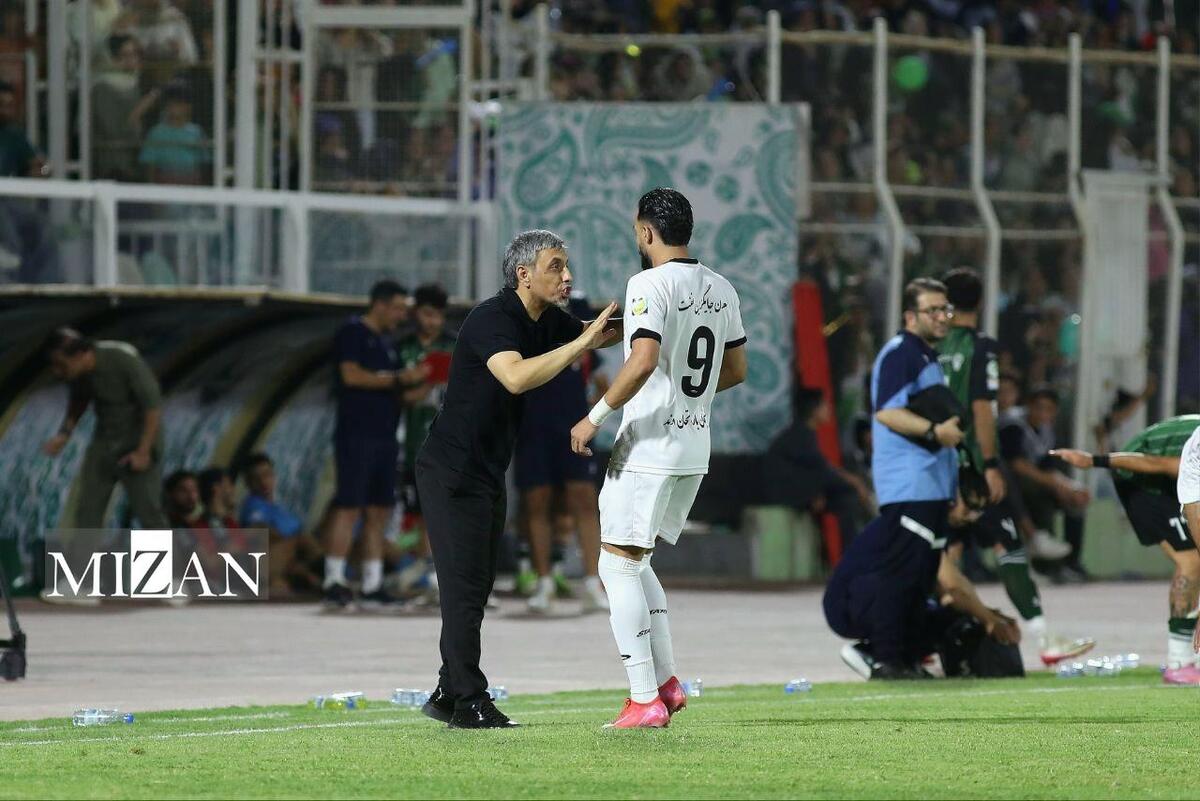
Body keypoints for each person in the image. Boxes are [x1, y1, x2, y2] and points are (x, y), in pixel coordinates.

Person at [415, 229, 618, 729]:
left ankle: (447, 690)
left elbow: (595, 332)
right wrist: (583, 342)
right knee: (464, 590)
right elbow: (516, 376)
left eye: (566, 265)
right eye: (556, 267)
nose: (567, 276)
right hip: (451, 471)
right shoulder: (491, 319)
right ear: (524, 275)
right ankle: (470, 701)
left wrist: (652, 318)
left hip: (487, 471)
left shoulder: (545, 318)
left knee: (477, 586)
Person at [569, 187, 748, 729]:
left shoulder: (647, 283)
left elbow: (644, 359)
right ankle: (667, 683)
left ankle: (644, 697)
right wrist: (687, 400)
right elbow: (736, 370)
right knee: (637, 561)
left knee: (615, 563)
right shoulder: (722, 287)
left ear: (646, 231)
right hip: (693, 447)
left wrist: (595, 415)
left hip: (646, 444)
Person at [937, 267, 1094, 665]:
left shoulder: (929, 346)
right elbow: (982, 410)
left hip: (934, 463)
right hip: (971, 465)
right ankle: (1044, 638)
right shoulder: (980, 348)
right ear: (980, 302)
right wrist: (991, 464)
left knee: (946, 552)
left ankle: (926, 640)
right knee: (1007, 544)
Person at [832, 278, 964, 679]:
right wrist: (934, 432)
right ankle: (885, 657)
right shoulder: (900, 352)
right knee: (902, 575)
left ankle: (906, 656)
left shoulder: (925, 357)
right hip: (910, 483)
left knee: (921, 577)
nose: (941, 317)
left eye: (945, 310)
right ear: (910, 316)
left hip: (932, 485)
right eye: (932, 310)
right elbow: (887, 412)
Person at [1051, 416, 1200, 684]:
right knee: (1191, 560)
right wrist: (1094, 460)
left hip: (1172, 474)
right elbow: (1159, 465)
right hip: (1143, 475)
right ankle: (1179, 661)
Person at [824, 498, 1022, 679]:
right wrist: (989, 620)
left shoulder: (941, 524)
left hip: (872, 596)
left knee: (954, 618)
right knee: (900, 586)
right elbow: (953, 584)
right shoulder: (919, 517)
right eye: (968, 507)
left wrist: (987, 615)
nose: (970, 515)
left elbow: (949, 591)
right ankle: (885, 659)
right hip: (848, 604)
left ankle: (897, 658)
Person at [324, 280, 421, 611]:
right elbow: (351, 375)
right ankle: (333, 579)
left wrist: (422, 384)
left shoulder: (387, 344)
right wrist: (397, 379)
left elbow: (396, 392)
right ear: (379, 304)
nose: (401, 316)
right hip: (356, 434)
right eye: (397, 308)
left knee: (379, 509)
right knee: (349, 505)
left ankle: (372, 582)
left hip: (385, 436)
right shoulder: (353, 332)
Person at [516, 293, 610, 615]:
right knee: (537, 502)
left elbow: (602, 381)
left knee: (583, 499)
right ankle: (543, 583)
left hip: (574, 426)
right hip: (533, 428)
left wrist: (593, 413)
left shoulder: (581, 319)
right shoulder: (528, 321)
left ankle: (593, 583)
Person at [41, 329, 169, 529]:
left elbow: (152, 406)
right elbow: (79, 400)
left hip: (139, 439)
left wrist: (143, 452)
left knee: (148, 511)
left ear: (81, 355)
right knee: (87, 511)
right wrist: (64, 434)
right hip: (105, 440)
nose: (57, 372)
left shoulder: (121, 360)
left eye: (61, 365)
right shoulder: (78, 374)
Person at [396, 283, 455, 602]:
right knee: (419, 514)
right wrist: (420, 387)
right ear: (415, 313)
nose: (432, 321)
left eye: (438, 315)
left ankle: (443, 577)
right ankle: (426, 573)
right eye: (427, 314)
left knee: (447, 511)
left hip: (449, 446)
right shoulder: (400, 347)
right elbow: (391, 395)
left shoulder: (455, 345)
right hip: (412, 445)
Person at [764, 386, 874, 553]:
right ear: (814, 410)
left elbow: (820, 468)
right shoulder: (799, 435)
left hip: (801, 489)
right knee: (849, 496)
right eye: (825, 405)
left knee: (847, 496)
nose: (828, 409)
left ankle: (847, 554)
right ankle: (851, 556)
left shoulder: (805, 433)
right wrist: (855, 484)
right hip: (784, 493)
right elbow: (823, 470)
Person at [999, 385, 1090, 578]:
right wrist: (1053, 484)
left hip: (1034, 483)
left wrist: (1070, 487)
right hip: (1009, 485)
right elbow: (1016, 465)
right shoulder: (1013, 424)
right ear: (1028, 405)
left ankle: (1070, 563)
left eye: (1049, 409)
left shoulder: (1046, 431)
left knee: (1075, 501)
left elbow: (1048, 467)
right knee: (1043, 497)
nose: (1043, 413)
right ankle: (1040, 551)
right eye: (1038, 407)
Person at [240, 452, 322, 599]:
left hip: (289, 564)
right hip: (267, 563)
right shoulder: (253, 506)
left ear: (274, 476)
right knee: (303, 540)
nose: (263, 482)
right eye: (256, 478)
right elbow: (258, 530)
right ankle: (328, 571)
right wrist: (292, 544)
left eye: (267, 475)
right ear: (248, 483)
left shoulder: (281, 509)